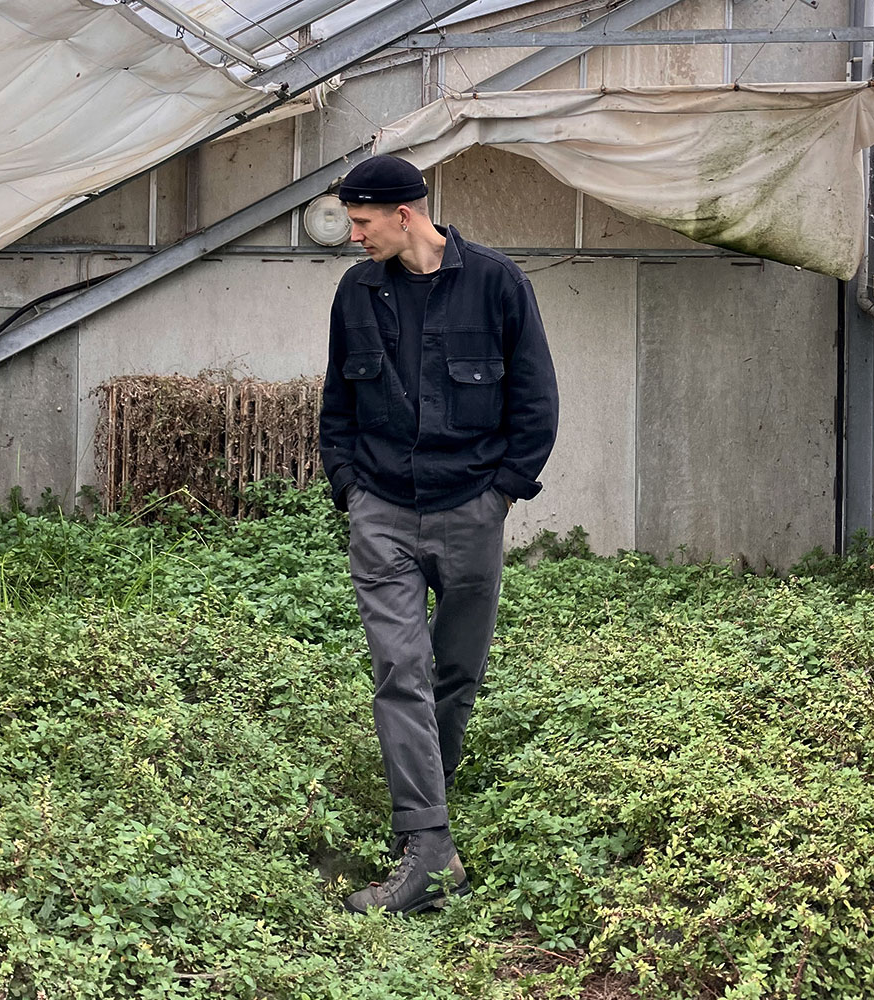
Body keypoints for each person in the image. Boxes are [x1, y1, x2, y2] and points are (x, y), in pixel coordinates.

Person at [319, 155, 558, 915]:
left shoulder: (497, 284)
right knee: (401, 669)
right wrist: (351, 488)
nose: (354, 237)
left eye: (362, 223)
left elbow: (536, 403)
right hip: (382, 511)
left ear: (405, 214)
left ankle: (432, 802)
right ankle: (427, 846)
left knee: (456, 672)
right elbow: (336, 406)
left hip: (469, 511)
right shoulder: (356, 293)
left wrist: (499, 496)